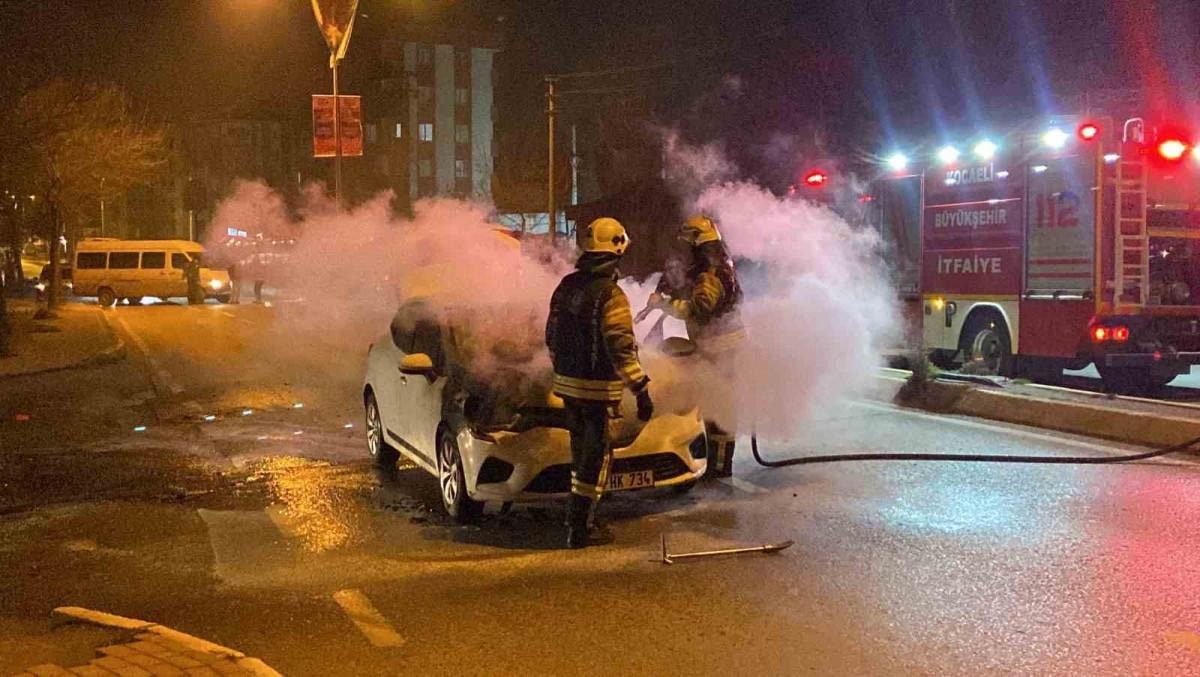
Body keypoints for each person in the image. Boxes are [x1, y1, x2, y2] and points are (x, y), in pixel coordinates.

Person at [546, 217, 654, 549]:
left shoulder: (565, 286)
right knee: (597, 456)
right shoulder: (611, 295)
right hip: (597, 390)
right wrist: (641, 389)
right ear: (617, 249)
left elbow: (551, 335)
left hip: (567, 386)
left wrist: (563, 369)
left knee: (581, 453)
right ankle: (580, 528)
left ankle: (577, 519)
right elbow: (620, 347)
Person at [648, 214, 744, 479]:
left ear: (698, 243)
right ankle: (715, 464)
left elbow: (700, 309)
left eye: (689, 244)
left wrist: (664, 304)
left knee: (719, 410)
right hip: (719, 347)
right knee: (714, 406)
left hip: (721, 350)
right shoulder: (715, 265)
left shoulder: (711, 274)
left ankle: (720, 468)